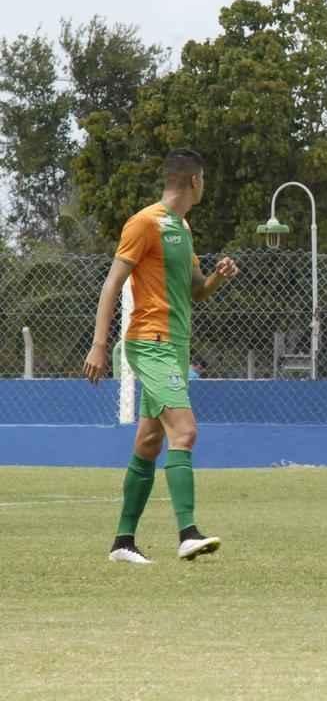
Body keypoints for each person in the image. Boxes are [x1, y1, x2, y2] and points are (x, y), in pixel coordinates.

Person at [83, 148, 239, 564]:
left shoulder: (182, 228)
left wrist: (217, 279)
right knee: (184, 432)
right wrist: (100, 344)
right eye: (203, 180)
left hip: (172, 347)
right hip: (150, 342)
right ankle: (188, 533)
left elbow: (195, 291)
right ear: (194, 181)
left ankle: (122, 542)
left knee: (150, 441)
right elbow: (112, 284)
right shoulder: (144, 222)